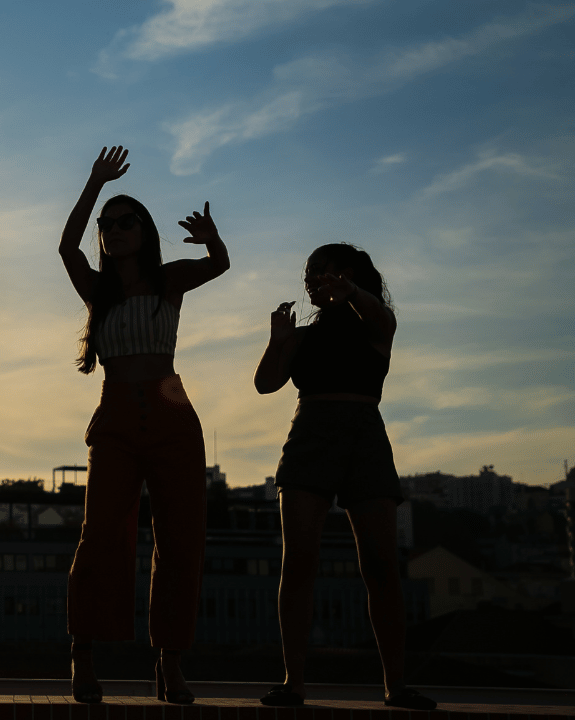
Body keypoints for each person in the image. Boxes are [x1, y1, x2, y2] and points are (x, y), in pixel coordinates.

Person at [59, 146, 228, 704]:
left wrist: (212, 238)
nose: (113, 230)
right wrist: (94, 182)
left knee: (181, 541)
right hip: (115, 414)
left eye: (125, 220)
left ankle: (170, 666)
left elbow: (219, 265)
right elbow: (66, 246)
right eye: (106, 226)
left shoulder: (167, 280)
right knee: (102, 535)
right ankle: (83, 658)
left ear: (145, 229)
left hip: (172, 410)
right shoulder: (98, 290)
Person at [253, 243, 435, 710]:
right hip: (309, 435)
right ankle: (294, 682)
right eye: (308, 274)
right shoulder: (303, 336)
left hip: (364, 437)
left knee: (380, 565)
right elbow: (265, 383)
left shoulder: (375, 325)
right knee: (300, 561)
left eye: (319, 272)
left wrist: (349, 291)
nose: (311, 280)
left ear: (347, 273)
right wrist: (278, 338)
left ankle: (395, 685)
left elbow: (381, 317)